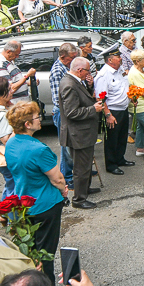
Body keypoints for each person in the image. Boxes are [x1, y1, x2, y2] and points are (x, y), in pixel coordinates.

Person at [4, 102, 72, 286]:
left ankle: (34, 281)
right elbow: (57, 178)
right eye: (36, 117)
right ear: (27, 124)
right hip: (45, 204)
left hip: (23, 202)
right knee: (46, 250)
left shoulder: (11, 142)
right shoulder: (39, 149)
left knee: (31, 247)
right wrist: (63, 189)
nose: (40, 119)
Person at [59, 56, 106, 209]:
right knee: (80, 168)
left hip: (83, 133)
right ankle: (79, 199)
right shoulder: (69, 85)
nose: (89, 73)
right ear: (79, 70)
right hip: (78, 134)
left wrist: (90, 87)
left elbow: (83, 99)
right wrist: (94, 109)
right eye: (87, 70)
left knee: (85, 166)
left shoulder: (76, 81)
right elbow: (71, 112)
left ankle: (85, 190)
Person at [48, 43, 80, 191]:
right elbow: (57, 98)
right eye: (71, 58)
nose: (73, 61)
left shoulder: (67, 67)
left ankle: (77, 172)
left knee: (73, 144)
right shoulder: (57, 71)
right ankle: (67, 178)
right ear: (62, 57)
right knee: (66, 146)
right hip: (63, 112)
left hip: (69, 110)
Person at [95, 50, 133, 175]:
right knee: (112, 139)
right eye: (118, 56)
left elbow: (124, 86)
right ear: (110, 60)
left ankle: (120, 159)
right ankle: (111, 165)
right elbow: (100, 98)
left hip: (123, 108)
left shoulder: (120, 70)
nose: (121, 58)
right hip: (113, 111)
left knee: (122, 137)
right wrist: (108, 114)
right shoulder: (104, 75)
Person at [0, 39, 38, 104]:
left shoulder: (9, 61)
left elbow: (14, 81)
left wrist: (28, 83)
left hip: (20, 103)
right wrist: (27, 76)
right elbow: (10, 88)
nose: (17, 57)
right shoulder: (0, 65)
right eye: (16, 54)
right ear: (9, 52)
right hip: (14, 104)